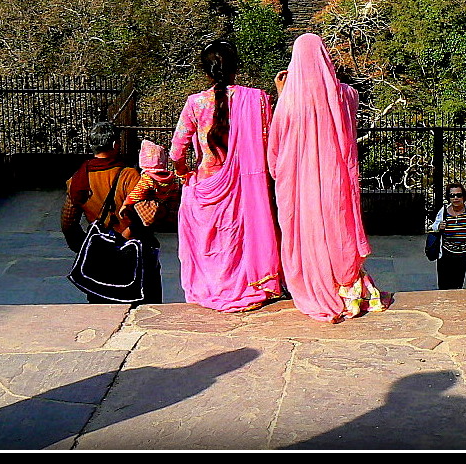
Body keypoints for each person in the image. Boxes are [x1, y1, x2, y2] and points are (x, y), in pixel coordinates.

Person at [268, 33, 386, 323]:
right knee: (337, 230)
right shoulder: (344, 95)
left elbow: (275, 151)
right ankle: (343, 287)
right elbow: (349, 108)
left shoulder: (289, 102)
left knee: (306, 234)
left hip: (298, 187)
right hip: (335, 182)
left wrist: (282, 93)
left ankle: (314, 287)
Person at [170, 41, 283, 312]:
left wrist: (183, 172)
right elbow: (271, 140)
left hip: (206, 185)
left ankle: (214, 289)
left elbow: (176, 151)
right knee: (239, 239)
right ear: (236, 68)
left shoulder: (195, 104)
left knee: (211, 242)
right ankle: (246, 287)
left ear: (206, 71)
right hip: (246, 186)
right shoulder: (256, 100)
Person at [61, 120, 162, 304]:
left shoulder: (78, 179)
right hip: (134, 253)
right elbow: (146, 218)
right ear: (115, 145)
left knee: (101, 308)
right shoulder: (129, 175)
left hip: (100, 257)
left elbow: (68, 222)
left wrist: (85, 246)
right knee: (144, 307)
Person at [428, 182, 466, 290]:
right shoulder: (443, 211)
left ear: (463, 196)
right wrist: (439, 226)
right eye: (452, 195)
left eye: (459, 195)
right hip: (446, 256)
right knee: (446, 287)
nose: (456, 198)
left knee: (463, 286)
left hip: (465, 256)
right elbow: (434, 226)